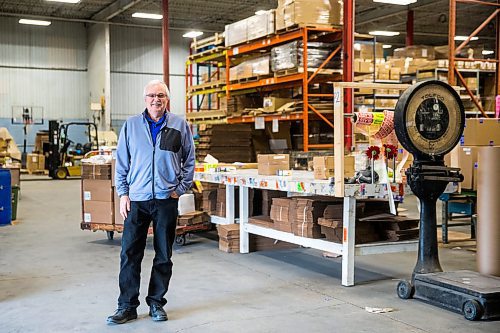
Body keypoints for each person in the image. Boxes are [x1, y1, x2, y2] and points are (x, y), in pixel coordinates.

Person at [107, 80, 195, 325]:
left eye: (161, 95)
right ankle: (127, 306)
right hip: (137, 199)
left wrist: (180, 189)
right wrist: (123, 193)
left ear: (167, 99)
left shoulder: (179, 124)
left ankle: (156, 303)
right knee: (129, 253)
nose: (156, 99)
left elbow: (189, 159)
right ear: (144, 99)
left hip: (166, 199)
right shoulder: (132, 125)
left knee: (164, 254)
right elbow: (122, 161)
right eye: (151, 96)